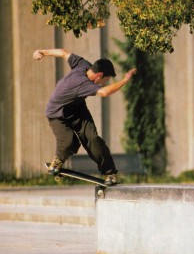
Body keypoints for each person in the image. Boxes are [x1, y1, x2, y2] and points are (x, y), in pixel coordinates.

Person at [33, 48, 136, 186]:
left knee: (93, 139)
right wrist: (125, 80)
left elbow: (64, 53)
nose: (105, 82)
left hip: (77, 109)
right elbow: (104, 92)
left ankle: (110, 173)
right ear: (99, 75)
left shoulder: (84, 65)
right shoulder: (82, 84)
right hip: (57, 113)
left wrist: (42, 52)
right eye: (106, 79)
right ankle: (57, 161)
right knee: (69, 142)